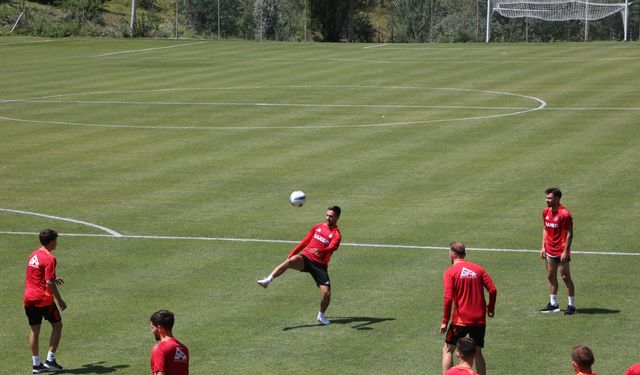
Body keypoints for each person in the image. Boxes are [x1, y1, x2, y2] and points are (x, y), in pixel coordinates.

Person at [257, 205, 342, 325]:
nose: (328, 218)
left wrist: (320, 251)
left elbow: (331, 247)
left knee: (326, 293)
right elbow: (305, 241)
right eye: (327, 215)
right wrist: (292, 253)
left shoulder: (336, 234)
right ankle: (267, 280)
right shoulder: (317, 227)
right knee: (290, 261)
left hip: (320, 266)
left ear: (337, 217)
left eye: (331, 216)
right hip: (306, 258)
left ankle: (321, 315)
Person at [440, 241, 497, 375]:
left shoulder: (450, 272)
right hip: (479, 320)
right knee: (477, 352)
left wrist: (444, 321)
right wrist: (491, 308)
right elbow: (493, 290)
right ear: (464, 254)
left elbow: (448, 298)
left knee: (448, 349)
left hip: (460, 320)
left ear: (452, 254)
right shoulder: (478, 269)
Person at [24, 229, 67, 374]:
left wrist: (52, 279)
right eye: (55, 240)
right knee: (57, 325)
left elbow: (38, 276)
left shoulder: (33, 255)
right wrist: (60, 300)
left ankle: (36, 364)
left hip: (29, 299)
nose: (56, 243)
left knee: (34, 331)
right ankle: (50, 360)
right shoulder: (50, 258)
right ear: (50, 242)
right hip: (43, 300)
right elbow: (49, 283)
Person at [539, 187, 576, 315]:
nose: (546, 200)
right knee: (550, 276)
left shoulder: (564, 214)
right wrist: (543, 246)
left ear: (557, 198)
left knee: (565, 277)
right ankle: (553, 304)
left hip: (561, 252)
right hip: (549, 250)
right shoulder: (546, 212)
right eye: (546, 198)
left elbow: (570, 233)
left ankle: (571, 305)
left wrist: (566, 251)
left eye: (549, 198)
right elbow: (545, 228)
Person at [150, 310, 189, 375]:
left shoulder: (160, 348)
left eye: (152, 328)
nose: (152, 331)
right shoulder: (184, 349)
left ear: (159, 328)